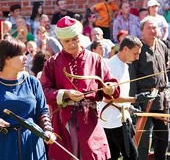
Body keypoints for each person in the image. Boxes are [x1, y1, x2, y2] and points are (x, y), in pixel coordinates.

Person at [40, 16, 120, 160]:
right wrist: (65, 94)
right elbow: (43, 92)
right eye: (67, 41)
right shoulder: (53, 62)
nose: (71, 44)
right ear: (60, 41)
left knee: (93, 155)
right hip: (63, 120)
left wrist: (110, 89)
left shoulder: (95, 59)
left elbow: (111, 84)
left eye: (75, 39)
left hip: (89, 119)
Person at [98, 36, 155, 160]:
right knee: (131, 155)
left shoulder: (123, 64)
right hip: (114, 120)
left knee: (112, 156)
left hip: (118, 118)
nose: (137, 57)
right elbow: (109, 98)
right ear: (125, 49)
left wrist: (130, 106)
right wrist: (135, 99)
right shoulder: (113, 66)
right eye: (135, 53)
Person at [0, 37, 56, 160]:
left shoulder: (32, 82)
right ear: (7, 58)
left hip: (32, 143)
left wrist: (47, 130)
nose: (26, 58)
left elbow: (42, 111)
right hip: (4, 146)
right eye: (21, 54)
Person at [134, 16, 169, 160]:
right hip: (145, 99)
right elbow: (133, 75)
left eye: (155, 27)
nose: (152, 30)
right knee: (143, 136)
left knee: (163, 135)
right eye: (149, 28)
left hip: (162, 98)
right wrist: (134, 99)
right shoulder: (138, 48)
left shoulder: (162, 46)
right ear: (142, 31)